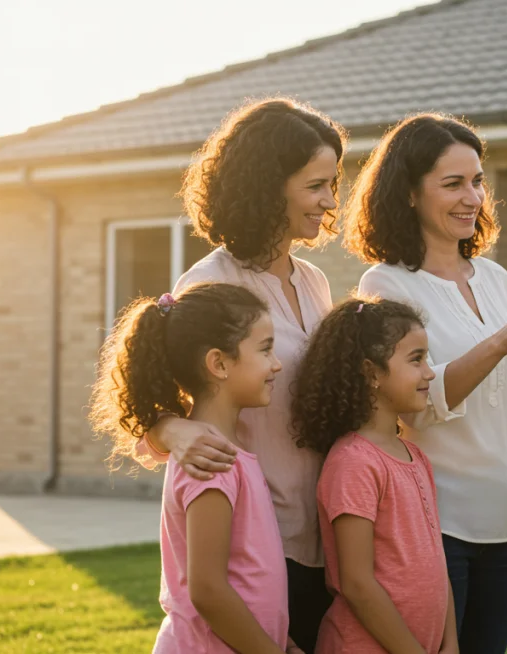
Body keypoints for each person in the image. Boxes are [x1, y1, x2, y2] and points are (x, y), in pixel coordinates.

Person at [129, 97, 347, 653]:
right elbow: (157, 394)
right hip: (257, 544)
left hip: (323, 535)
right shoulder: (212, 282)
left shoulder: (315, 281)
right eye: (315, 185)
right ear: (269, 186)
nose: (330, 201)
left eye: (332, 184)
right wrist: (172, 430)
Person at [345, 113, 507, 653]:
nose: (472, 198)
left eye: (477, 181)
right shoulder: (385, 284)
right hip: (435, 525)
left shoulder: (496, 277)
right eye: (453, 184)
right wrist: (501, 341)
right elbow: (411, 406)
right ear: (409, 193)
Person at [89, 283, 300, 653]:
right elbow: (208, 591)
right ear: (219, 364)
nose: (276, 363)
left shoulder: (226, 451)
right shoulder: (211, 461)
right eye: (265, 349)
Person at [293, 297, 457, 654]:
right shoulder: (353, 462)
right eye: (416, 359)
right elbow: (356, 583)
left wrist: (451, 642)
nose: (429, 372)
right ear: (371, 373)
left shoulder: (416, 457)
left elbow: (436, 560)